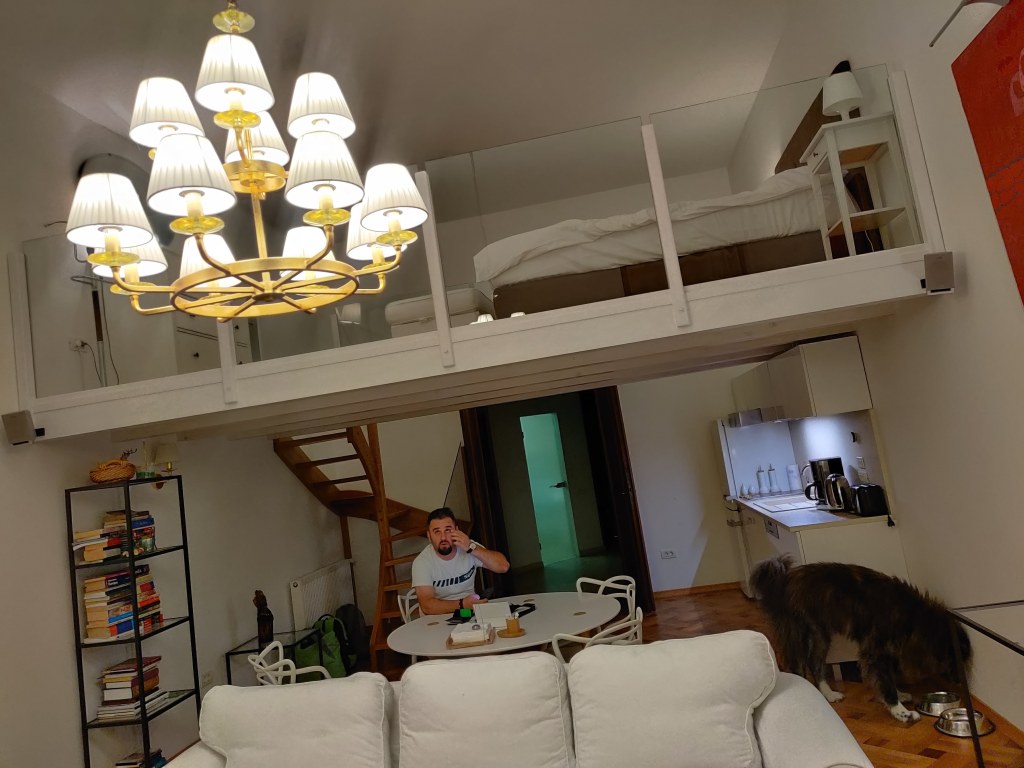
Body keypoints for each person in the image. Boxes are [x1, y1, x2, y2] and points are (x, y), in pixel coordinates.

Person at [411, 507, 510, 615]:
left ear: (457, 530)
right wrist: (462, 604)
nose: (443, 537)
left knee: (505, 618)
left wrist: (471, 548)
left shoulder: (469, 546)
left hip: (469, 611)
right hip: (438, 615)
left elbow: (503, 566)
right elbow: (427, 606)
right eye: (437, 532)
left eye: (448, 530)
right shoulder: (422, 562)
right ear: (429, 536)